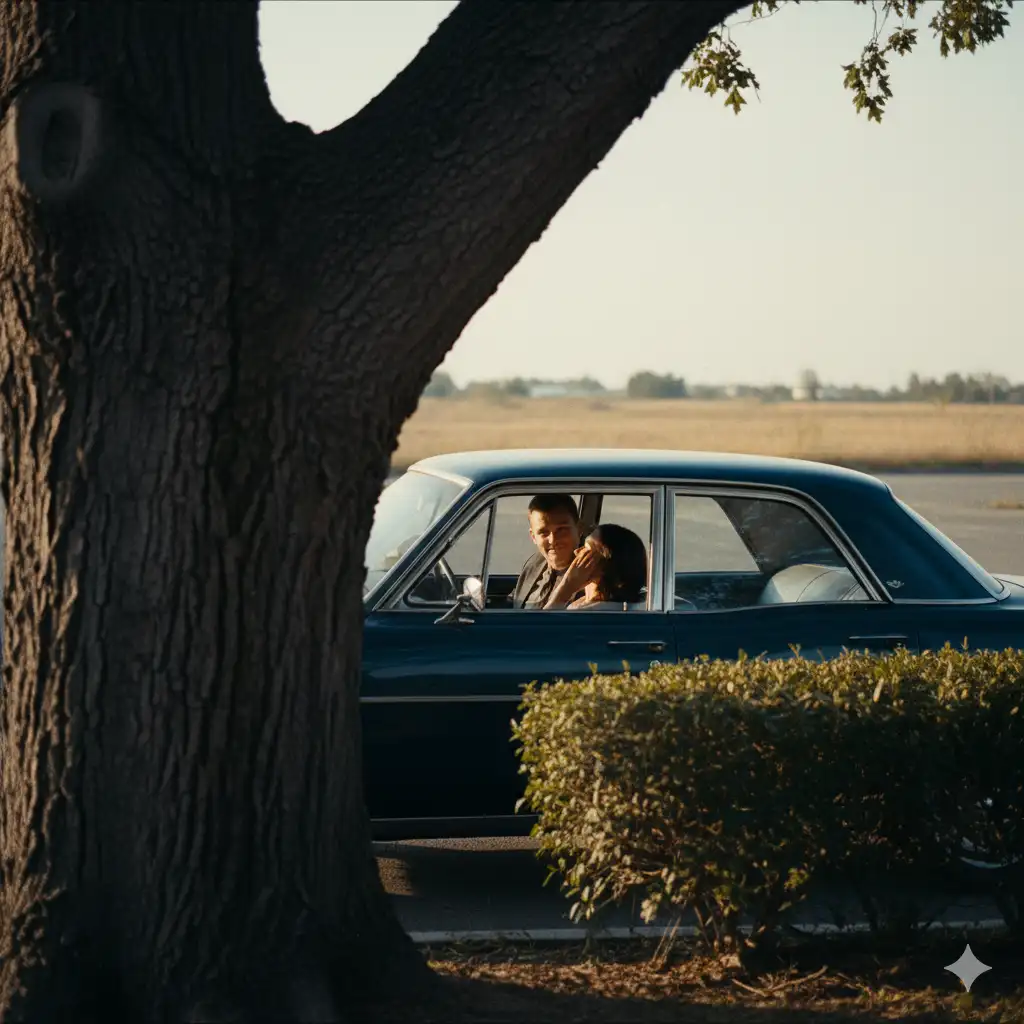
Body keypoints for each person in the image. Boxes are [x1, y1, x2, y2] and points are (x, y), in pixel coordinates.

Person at [543, 523, 647, 610]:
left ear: (606, 566)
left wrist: (566, 589)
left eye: (587, 549)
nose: (576, 551)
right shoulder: (585, 603)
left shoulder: (594, 612)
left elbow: (539, 629)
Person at [511, 493, 582, 608]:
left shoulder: (592, 576)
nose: (553, 540)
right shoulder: (535, 563)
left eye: (561, 529)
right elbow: (514, 602)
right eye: (544, 532)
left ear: (578, 529)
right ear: (533, 536)